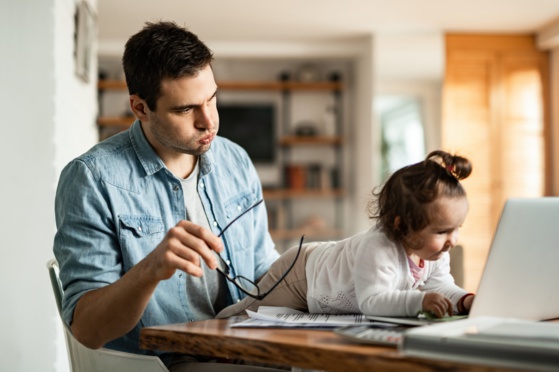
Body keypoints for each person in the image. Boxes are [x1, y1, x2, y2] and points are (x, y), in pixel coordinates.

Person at [53, 21, 281, 370]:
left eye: (212, 99)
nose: (209, 121)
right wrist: (150, 271)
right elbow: (87, 329)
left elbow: (263, 270)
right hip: (163, 363)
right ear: (141, 108)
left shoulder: (235, 160)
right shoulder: (92, 179)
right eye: (185, 109)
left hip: (244, 349)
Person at [217, 150, 475, 319]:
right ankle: (208, 332)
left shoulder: (434, 252)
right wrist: (420, 301)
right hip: (303, 274)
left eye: (457, 229)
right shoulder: (379, 247)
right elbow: (372, 301)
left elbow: (441, 286)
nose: (452, 241)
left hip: (322, 289)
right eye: (442, 231)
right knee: (249, 313)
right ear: (402, 225)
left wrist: (464, 300)